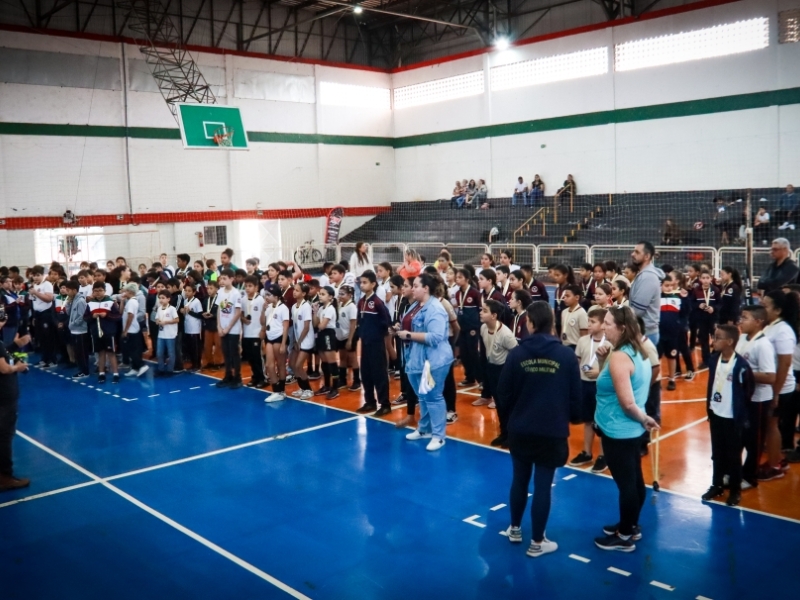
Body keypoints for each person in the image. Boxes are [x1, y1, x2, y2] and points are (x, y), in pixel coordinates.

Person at [497, 301, 581, 558]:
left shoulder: (517, 354)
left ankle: (514, 529)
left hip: (521, 429)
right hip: (551, 432)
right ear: (552, 324)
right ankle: (537, 542)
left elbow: (502, 394)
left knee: (519, 480)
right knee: (543, 486)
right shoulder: (566, 356)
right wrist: (570, 417)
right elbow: (576, 398)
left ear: (530, 324)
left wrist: (511, 420)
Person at [593, 306, 659, 552]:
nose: (603, 326)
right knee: (634, 480)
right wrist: (603, 360)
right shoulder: (637, 350)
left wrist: (644, 418)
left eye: (608, 323)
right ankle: (630, 524)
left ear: (621, 328)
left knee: (627, 485)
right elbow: (616, 384)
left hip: (619, 430)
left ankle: (624, 536)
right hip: (630, 429)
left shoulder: (621, 357)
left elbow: (627, 403)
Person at [397, 273, 454, 451]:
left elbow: (436, 337)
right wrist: (401, 329)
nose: (412, 289)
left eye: (415, 286)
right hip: (416, 358)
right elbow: (412, 325)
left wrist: (408, 335)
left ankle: (439, 436)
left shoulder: (435, 308)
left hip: (433, 360)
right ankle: (424, 429)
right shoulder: (415, 305)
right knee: (422, 396)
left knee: (433, 397)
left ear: (426, 288)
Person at [701, 325, 755, 507]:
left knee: (733, 455)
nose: (713, 341)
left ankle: (735, 490)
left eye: (718, 338)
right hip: (716, 413)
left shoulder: (741, 365)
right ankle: (716, 485)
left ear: (730, 341)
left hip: (732, 417)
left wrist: (740, 411)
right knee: (717, 453)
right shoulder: (713, 360)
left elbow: (748, 389)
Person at [759, 289, 799, 480]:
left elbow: (784, 364)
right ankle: (779, 459)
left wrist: (776, 392)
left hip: (780, 387)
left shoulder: (783, 331)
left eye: (766, 306)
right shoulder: (771, 326)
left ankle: (774, 466)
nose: (762, 309)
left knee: (771, 425)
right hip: (772, 386)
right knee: (769, 424)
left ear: (778, 310)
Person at [736, 306, 776, 485]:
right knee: (740, 437)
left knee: (754, 439)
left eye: (745, 318)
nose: (741, 321)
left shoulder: (763, 345)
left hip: (758, 399)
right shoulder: (742, 338)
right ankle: (735, 472)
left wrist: (744, 372)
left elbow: (770, 376)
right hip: (743, 397)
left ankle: (750, 476)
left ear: (758, 322)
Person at [569, 308, 611, 473]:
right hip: (584, 384)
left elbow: (613, 368)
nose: (589, 324)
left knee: (601, 422)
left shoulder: (609, 344)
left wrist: (599, 373)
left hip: (601, 386)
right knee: (587, 420)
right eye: (589, 321)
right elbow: (577, 361)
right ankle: (587, 452)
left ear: (603, 325)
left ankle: (603, 455)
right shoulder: (583, 341)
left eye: (593, 322)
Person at [480, 299, 518, 446]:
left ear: (494, 315)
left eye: (484, 311)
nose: (481, 313)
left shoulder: (506, 334)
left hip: (504, 370)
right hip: (491, 368)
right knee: (498, 403)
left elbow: (516, 353)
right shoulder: (483, 328)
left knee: (506, 405)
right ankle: (504, 433)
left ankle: (512, 435)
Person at [356, 271, 392, 416]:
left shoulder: (377, 302)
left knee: (379, 374)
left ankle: (385, 404)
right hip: (365, 343)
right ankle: (370, 401)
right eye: (361, 282)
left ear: (373, 284)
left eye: (365, 282)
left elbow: (386, 320)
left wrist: (378, 335)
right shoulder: (361, 302)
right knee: (366, 373)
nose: (362, 285)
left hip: (376, 343)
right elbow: (360, 321)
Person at [0, 321, 29, 492]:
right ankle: (5, 477)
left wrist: (14, 345)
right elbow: (3, 369)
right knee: (4, 435)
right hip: (4, 397)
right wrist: (17, 367)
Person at [85, 282, 122, 384]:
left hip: (109, 333)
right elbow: (85, 318)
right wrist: (92, 317)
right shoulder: (90, 304)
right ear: (93, 292)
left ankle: (115, 374)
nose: (98, 293)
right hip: (96, 333)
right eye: (96, 291)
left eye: (100, 290)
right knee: (100, 353)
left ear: (105, 291)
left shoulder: (111, 302)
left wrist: (107, 315)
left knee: (111, 353)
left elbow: (118, 317)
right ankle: (101, 373)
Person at [629, 242, 664, 346]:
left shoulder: (648, 277)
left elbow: (638, 310)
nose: (632, 254)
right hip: (643, 331)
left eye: (637, 252)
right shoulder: (645, 275)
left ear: (647, 256)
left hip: (645, 333)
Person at [215, 269, 243, 389]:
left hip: (233, 329)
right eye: (221, 278)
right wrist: (219, 326)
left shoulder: (236, 293)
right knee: (226, 352)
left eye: (225, 278)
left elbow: (237, 313)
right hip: (223, 328)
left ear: (232, 279)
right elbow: (219, 309)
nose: (222, 281)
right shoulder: (220, 292)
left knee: (234, 353)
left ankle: (237, 377)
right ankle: (228, 376)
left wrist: (228, 328)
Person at [454, 268, 483, 386]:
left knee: (473, 353)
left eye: (460, 277)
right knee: (464, 353)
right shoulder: (457, 294)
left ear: (467, 279)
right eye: (456, 277)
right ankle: (469, 377)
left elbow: (481, 310)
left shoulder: (475, 293)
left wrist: (479, 326)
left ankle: (481, 379)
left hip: (473, 328)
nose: (457, 280)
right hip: (462, 328)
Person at [313, 286, 339, 399]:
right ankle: (327, 385)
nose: (320, 296)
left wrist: (319, 325)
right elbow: (315, 323)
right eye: (320, 294)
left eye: (323, 294)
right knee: (324, 361)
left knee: (332, 362)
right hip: (321, 335)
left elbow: (322, 326)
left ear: (330, 297)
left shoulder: (330, 309)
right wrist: (315, 311)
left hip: (328, 334)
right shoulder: (321, 308)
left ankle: (335, 388)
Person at [241, 276, 266, 388]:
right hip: (247, 333)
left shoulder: (260, 300)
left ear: (256, 287)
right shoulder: (243, 299)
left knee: (257, 357)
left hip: (257, 332)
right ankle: (255, 377)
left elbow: (265, 316)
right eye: (246, 286)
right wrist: (243, 319)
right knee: (250, 357)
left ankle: (262, 378)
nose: (247, 288)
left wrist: (263, 330)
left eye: (250, 286)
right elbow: (241, 314)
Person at [30, 266, 57, 367]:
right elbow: (33, 301)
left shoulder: (47, 284)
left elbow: (49, 299)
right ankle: (44, 358)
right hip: (37, 314)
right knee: (41, 338)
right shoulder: (33, 285)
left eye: (38, 275)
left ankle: (52, 360)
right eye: (34, 275)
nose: (36, 277)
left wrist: (36, 293)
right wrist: (33, 316)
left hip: (46, 313)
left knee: (48, 337)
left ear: (42, 275)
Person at [693, 271, 720, 369]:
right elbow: (691, 303)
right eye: (703, 278)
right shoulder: (696, 290)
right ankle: (706, 361)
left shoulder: (715, 290)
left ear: (711, 278)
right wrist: (698, 305)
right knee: (704, 340)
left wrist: (713, 308)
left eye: (707, 278)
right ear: (700, 279)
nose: (705, 280)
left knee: (716, 338)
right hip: (701, 319)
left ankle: (716, 358)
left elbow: (720, 304)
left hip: (713, 318)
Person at [120, 283, 149, 377]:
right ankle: (135, 368)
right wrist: (122, 301)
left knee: (133, 350)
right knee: (131, 349)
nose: (124, 293)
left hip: (132, 330)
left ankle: (141, 365)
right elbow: (121, 312)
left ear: (130, 291)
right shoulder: (130, 301)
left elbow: (130, 316)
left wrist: (125, 330)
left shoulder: (132, 302)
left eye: (125, 291)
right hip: (131, 329)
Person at [153, 290, 179, 377]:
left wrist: (166, 322)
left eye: (163, 298)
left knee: (171, 353)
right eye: (160, 298)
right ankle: (161, 368)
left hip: (170, 335)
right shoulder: (159, 309)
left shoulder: (172, 309)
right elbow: (157, 318)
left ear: (168, 299)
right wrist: (157, 321)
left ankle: (170, 370)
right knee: (159, 353)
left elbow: (177, 319)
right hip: (161, 334)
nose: (161, 300)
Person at [559, 285, 588, 350]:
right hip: (564, 345)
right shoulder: (564, 312)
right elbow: (562, 330)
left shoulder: (582, 313)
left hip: (575, 346)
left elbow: (584, 335)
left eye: (568, 296)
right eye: (564, 296)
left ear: (577, 297)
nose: (565, 299)